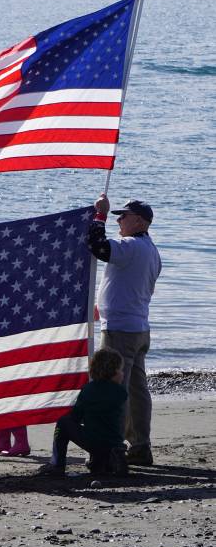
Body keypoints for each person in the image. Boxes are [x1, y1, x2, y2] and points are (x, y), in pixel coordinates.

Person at [87, 195, 162, 466]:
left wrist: (100, 215)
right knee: (137, 390)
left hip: (121, 329)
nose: (119, 220)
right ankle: (140, 445)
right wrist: (103, 305)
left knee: (112, 389)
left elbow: (98, 247)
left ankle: (113, 448)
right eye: (117, 216)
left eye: (124, 216)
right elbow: (132, 285)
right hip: (138, 327)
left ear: (139, 221)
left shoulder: (131, 245)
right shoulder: (151, 250)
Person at [36, 347, 128, 477]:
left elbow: (76, 417)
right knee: (105, 430)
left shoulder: (88, 389)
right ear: (113, 371)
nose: (123, 373)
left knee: (63, 423)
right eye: (120, 369)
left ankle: (57, 463)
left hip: (94, 441)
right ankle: (109, 458)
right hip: (115, 441)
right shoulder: (121, 392)